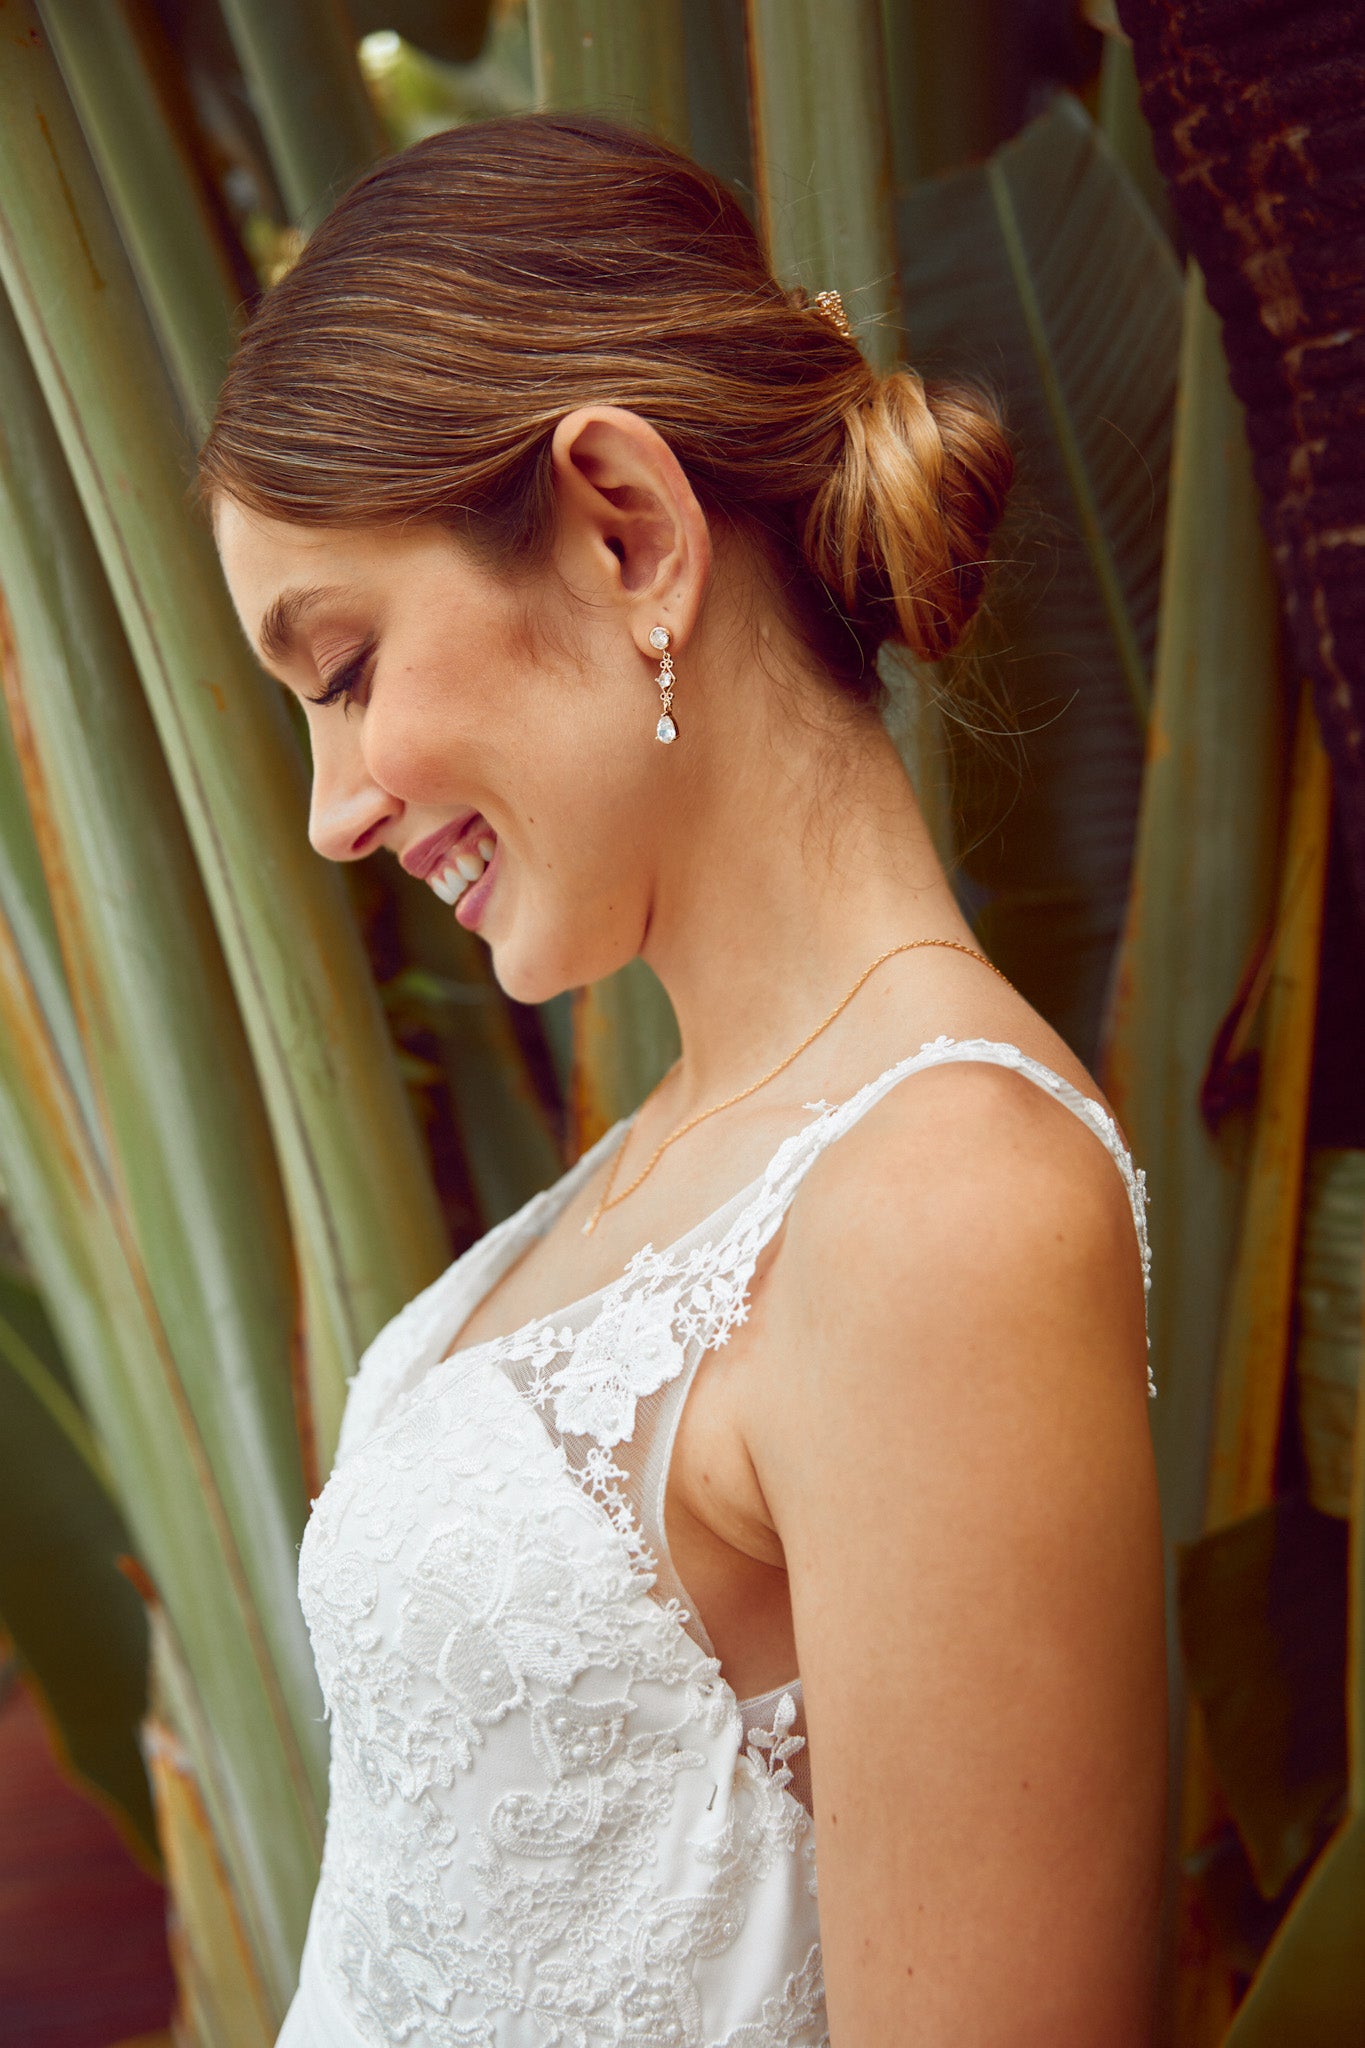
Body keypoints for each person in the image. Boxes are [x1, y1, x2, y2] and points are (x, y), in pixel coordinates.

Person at [203, 112, 1166, 2048]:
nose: (335, 807)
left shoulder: (941, 1198)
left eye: (342, 668)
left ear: (625, 526)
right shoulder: (672, 1157)